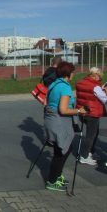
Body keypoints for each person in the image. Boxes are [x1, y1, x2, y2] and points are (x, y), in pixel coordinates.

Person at [44, 62, 87, 192]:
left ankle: (56, 176)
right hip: (59, 121)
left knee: (61, 149)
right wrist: (79, 111)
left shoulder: (54, 84)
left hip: (51, 119)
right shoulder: (65, 87)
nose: (74, 74)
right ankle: (52, 180)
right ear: (68, 73)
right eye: (73, 71)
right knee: (63, 150)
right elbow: (63, 110)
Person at [76, 67, 107, 165]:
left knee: (93, 133)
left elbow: (88, 94)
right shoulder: (95, 86)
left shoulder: (81, 82)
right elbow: (104, 99)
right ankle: (84, 156)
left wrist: (101, 90)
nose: (100, 79)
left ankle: (90, 152)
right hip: (92, 113)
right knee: (91, 135)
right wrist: (105, 91)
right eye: (100, 76)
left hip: (82, 111)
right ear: (95, 75)